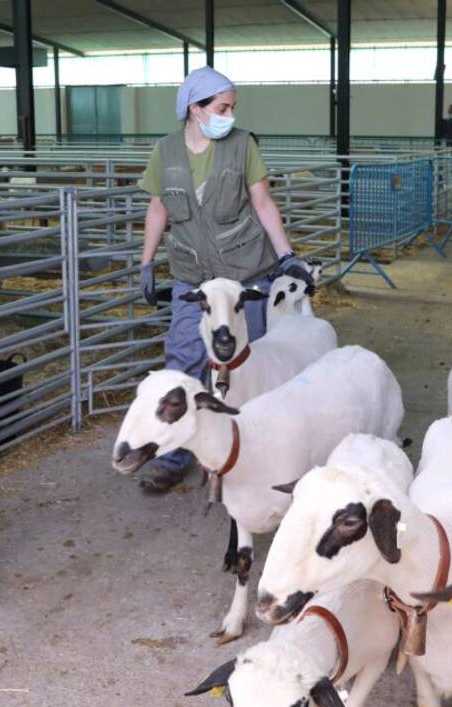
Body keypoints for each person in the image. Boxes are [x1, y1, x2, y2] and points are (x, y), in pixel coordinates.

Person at [134, 66, 306, 494]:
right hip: (192, 276)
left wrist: (286, 256)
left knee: (251, 364)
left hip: (245, 272)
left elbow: (263, 203)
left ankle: (255, 454)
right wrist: (146, 262)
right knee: (183, 359)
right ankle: (173, 455)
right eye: (223, 106)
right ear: (196, 108)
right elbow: (159, 209)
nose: (230, 113)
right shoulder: (166, 151)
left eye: (232, 106)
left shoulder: (242, 145)